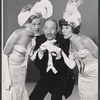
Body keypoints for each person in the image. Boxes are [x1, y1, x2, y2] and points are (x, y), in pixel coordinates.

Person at [2, 0, 53, 100]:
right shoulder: (17, 34)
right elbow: (4, 55)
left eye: (38, 24)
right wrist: (7, 78)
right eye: (34, 24)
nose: (37, 27)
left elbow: (32, 57)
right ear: (27, 24)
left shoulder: (34, 38)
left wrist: (41, 50)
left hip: (22, 72)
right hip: (10, 70)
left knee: (20, 93)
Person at [59, 0, 98, 100]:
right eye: (62, 28)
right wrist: (59, 53)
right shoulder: (69, 44)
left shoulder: (85, 41)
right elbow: (71, 65)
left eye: (67, 28)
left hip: (95, 77)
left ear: (73, 28)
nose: (63, 31)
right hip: (83, 77)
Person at [29, 18, 76, 100]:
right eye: (46, 28)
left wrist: (58, 54)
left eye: (52, 28)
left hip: (61, 75)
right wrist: (40, 53)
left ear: (57, 29)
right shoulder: (40, 39)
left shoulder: (64, 40)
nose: (49, 32)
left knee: (56, 98)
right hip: (46, 75)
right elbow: (38, 65)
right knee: (34, 97)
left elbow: (62, 67)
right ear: (43, 29)